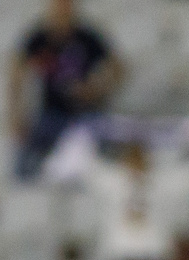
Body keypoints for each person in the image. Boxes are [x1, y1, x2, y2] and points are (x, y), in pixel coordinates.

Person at [8, 0, 123, 180]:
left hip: (86, 113)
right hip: (51, 114)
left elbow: (118, 69)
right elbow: (16, 74)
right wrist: (16, 114)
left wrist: (96, 89)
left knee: (109, 156)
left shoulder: (86, 37)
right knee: (23, 166)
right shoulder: (39, 39)